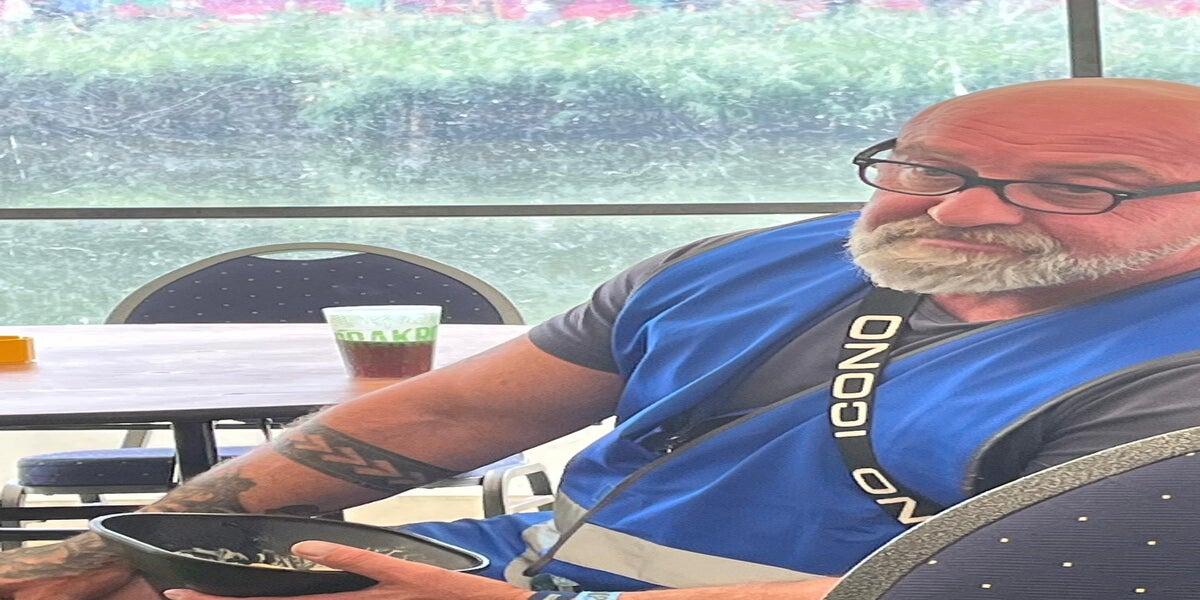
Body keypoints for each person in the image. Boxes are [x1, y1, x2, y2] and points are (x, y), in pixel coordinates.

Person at [7, 76, 1200, 600]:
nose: (959, 211)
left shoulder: (1172, 388)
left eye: (1076, 187)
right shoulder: (752, 263)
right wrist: (141, 540)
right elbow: (448, 414)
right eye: (926, 169)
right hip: (505, 564)